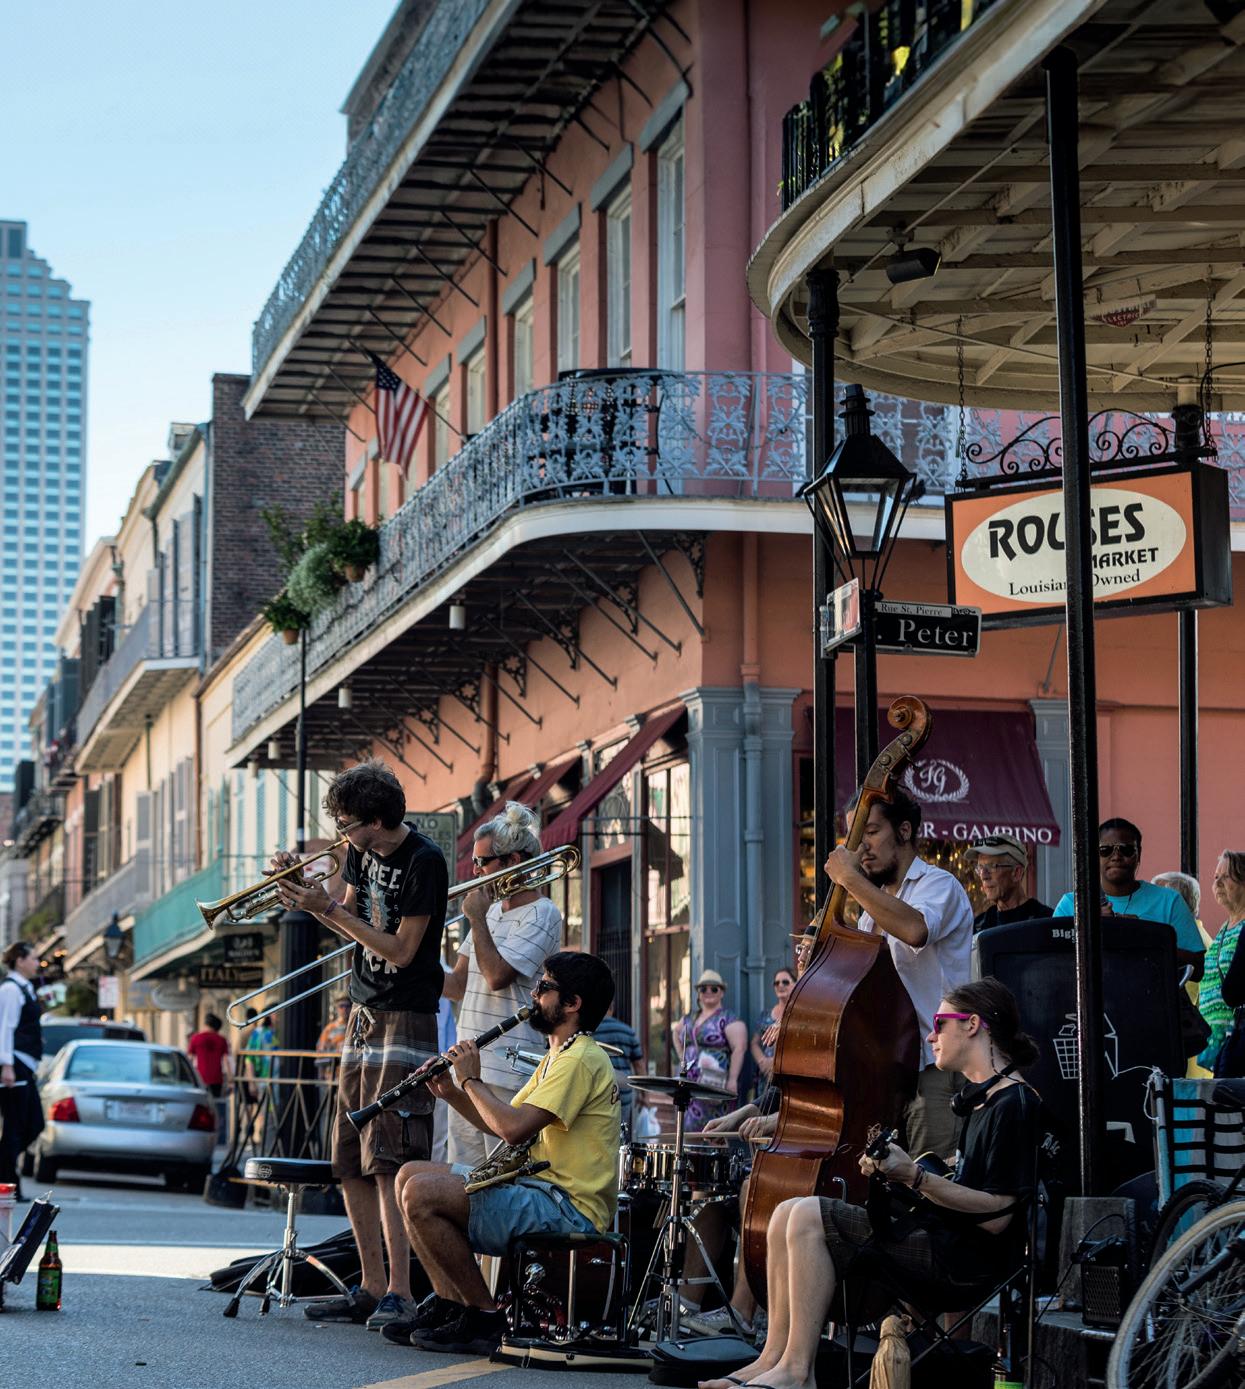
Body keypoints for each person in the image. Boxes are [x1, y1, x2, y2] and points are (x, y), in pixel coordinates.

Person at [699, 977, 1043, 1389]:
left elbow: (998, 1216)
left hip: (962, 1262)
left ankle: (798, 1372)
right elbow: (971, 1178)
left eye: (940, 1023)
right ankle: (772, 1359)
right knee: (786, 1210)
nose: (930, 1036)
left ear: (973, 1025)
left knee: (808, 1214)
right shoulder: (982, 1100)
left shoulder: (1014, 1103)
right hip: (941, 1239)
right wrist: (904, 1171)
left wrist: (914, 1176)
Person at [274, 759, 448, 1333]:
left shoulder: (424, 860)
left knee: (390, 1153)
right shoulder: (358, 851)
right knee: (349, 1153)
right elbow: (344, 914)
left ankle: (401, 1289)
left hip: (406, 1013)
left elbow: (401, 950)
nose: (341, 833)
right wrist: (304, 895)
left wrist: (327, 908)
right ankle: (371, 1286)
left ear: (377, 820)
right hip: (363, 1010)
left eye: (347, 823)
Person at [385, 951, 621, 1354]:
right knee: (408, 1174)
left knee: (422, 1193)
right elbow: (502, 1122)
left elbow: (513, 1131)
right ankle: (450, 1304)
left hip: (567, 1205)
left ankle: (484, 1315)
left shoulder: (581, 1059)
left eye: (544, 987)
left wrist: (471, 1080)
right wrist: (451, 1091)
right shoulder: (559, 1055)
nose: (534, 994)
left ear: (572, 1003)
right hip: (541, 1190)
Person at [823, 788, 973, 1160]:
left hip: (934, 1065)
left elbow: (915, 930)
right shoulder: (870, 914)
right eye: (855, 837)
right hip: (888, 1071)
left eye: (871, 832)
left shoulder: (938, 885)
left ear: (904, 831)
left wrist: (850, 879)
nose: (861, 848)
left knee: (929, 1176)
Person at [440, 801, 563, 1166]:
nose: (475, 872)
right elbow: (457, 986)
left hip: (509, 1069)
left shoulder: (543, 913)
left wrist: (477, 920)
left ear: (513, 861)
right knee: (462, 1179)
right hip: (468, 1065)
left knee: (500, 1178)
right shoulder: (490, 911)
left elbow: (496, 976)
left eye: (482, 862)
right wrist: (405, 958)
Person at [1052, 818, 1204, 979]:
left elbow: (1198, 969)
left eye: (1126, 849)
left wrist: (1143, 936)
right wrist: (1090, 928)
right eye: (1105, 850)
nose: (1116, 856)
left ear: (1139, 854)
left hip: (1149, 994)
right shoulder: (1072, 904)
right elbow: (1052, 963)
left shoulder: (1170, 901)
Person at [674, 969, 748, 1130]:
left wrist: (733, 1079)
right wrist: (682, 1056)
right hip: (689, 1084)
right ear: (698, 993)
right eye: (703, 989)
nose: (708, 991)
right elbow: (676, 1032)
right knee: (687, 1129)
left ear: (722, 992)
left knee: (715, 1130)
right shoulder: (690, 1017)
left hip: (715, 1083)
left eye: (714, 988)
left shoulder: (728, 1018)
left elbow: (739, 1048)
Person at [0, 942, 44, 1199]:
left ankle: (6, 1176)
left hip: (25, 1064)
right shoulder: (10, 989)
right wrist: (6, 1065)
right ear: (20, 960)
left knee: (33, 1124)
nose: (37, 963)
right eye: (34, 958)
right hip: (15, 1065)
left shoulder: (25, 988)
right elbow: (5, 1027)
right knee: (16, 1127)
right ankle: (8, 1184)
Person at [1197, 851, 1245, 1072]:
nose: (1218, 883)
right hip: (1219, 1039)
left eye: (1226, 877)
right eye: (1216, 877)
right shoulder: (1225, 927)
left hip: (1238, 1036)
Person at [967, 834, 1051, 930]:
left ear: (1017, 873)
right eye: (980, 868)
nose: (983, 876)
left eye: (992, 866)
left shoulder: (1046, 922)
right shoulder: (978, 926)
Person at [593, 1002, 643, 1135]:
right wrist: (644, 1095)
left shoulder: (590, 1031)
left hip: (598, 1094)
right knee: (620, 1135)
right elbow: (639, 1065)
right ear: (612, 1009)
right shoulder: (627, 1031)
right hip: (623, 1094)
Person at [750, 968, 795, 1094]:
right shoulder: (765, 1014)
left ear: (795, 984)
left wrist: (774, 1062)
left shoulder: (797, 1015)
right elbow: (754, 1043)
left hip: (786, 1074)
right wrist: (763, 1061)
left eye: (785, 982)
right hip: (765, 1075)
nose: (780, 985)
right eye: (776, 983)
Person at [187, 1012, 232, 1097]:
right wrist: (230, 1080)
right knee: (215, 1102)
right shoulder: (222, 1040)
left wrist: (189, 1077)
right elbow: (226, 1061)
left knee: (201, 1102)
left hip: (200, 1078)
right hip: (217, 1078)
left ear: (206, 1024)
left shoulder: (196, 1038)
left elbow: (190, 1059)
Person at [316, 996, 352, 1061]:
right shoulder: (330, 1028)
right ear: (337, 1008)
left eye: (347, 1006)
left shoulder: (355, 1026)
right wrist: (334, 1044)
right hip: (334, 1063)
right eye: (341, 1006)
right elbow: (320, 1049)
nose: (344, 1009)